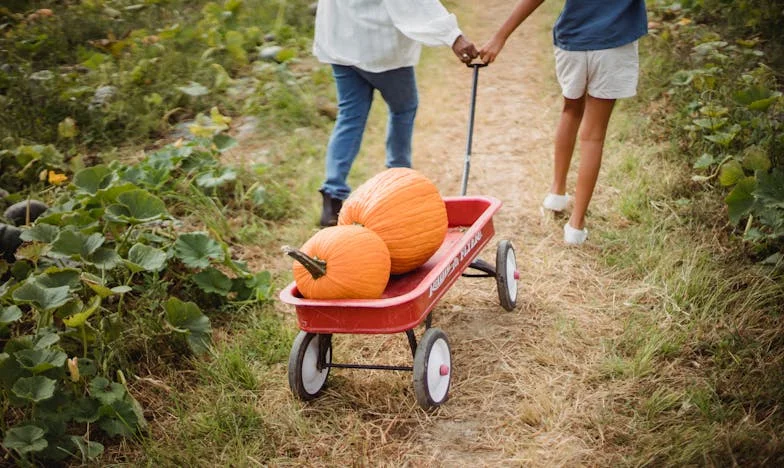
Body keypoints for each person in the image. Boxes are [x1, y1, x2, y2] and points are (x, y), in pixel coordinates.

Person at [480, 0, 647, 244]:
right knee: (594, 135)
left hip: (573, 39)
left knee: (570, 111)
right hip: (614, 42)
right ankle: (576, 226)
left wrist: (500, 36)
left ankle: (557, 193)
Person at [313, 0, 479, 226]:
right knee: (403, 109)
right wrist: (453, 36)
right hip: (379, 47)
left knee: (350, 116)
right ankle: (398, 184)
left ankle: (332, 197)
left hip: (341, 41)